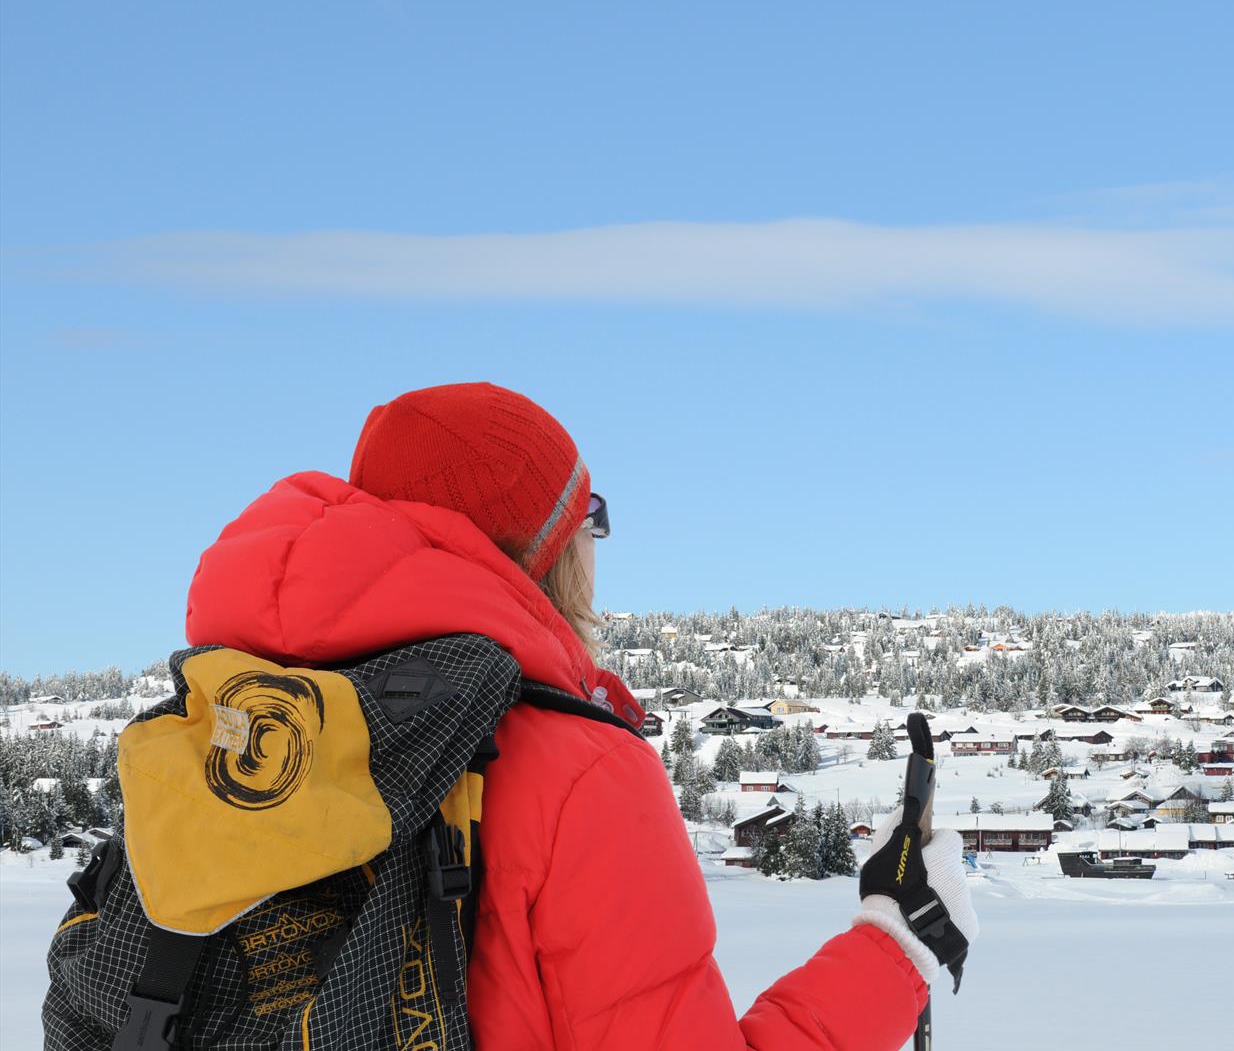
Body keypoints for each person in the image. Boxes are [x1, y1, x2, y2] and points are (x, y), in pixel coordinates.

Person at [179, 381, 977, 1049]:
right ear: (549, 549)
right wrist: (898, 946)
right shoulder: (577, 774)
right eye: (589, 515)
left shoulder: (224, 732)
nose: (599, 544)